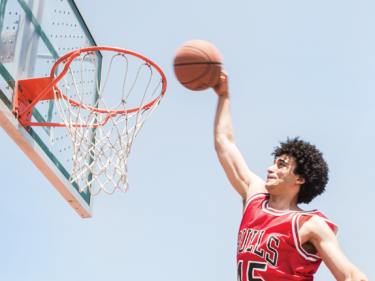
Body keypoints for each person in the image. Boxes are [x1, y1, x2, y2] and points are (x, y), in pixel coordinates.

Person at [213, 71, 368, 281]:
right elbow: (224, 143)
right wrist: (224, 96)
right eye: (274, 162)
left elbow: (351, 275)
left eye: (281, 165)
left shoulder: (310, 225)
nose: (270, 169)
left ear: (300, 179)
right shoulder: (255, 199)